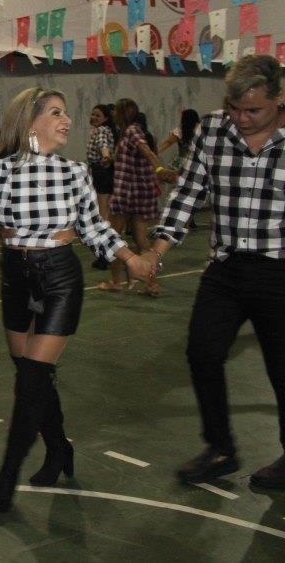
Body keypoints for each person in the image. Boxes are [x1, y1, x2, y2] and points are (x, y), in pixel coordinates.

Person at [0, 87, 153, 513]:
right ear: (30, 119)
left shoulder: (75, 172)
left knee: (32, 379)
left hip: (60, 276)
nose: (67, 120)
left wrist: (130, 258)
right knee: (32, 378)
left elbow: (94, 227)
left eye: (66, 113)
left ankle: (7, 476)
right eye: (57, 112)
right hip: (14, 276)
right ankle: (59, 447)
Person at [147, 55, 285, 490]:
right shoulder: (211, 129)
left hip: (279, 271)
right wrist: (157, 249)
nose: (241, 118)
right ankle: (221, 448)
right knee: (202, 353)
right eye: (234, 108)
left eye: (253, 110)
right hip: (225, 268)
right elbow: (188, 192)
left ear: (279, 99)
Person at [101, 98, 164, 296]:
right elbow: (127, 155)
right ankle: (151, 284)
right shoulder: (129, 132)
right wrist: (110, 159)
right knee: (141, 241)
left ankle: (115, 281)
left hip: (126, 193)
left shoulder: (131, 131)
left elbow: (147, 151)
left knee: (113, 237)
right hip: (140, 194)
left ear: (121, 114)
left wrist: (160, 169)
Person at [86, 104, 116, 269]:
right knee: (103, 214)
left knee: (103, 216)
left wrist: (105, 157)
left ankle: (105, 254)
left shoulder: (102, 131)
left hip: (101, 172)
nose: (94, 117)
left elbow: (103, 146)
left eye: (98, 115)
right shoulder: (100, 130)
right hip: (100, 172)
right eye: (93, 114)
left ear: (105, 118)